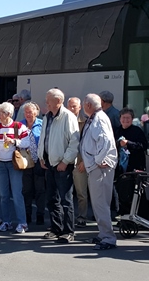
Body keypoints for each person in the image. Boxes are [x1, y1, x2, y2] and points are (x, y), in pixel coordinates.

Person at [0, 101, 30, 234]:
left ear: (8, 114)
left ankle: (22, 223)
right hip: (1, 163)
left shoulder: (18, 126)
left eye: (1, 112)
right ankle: (6, 221)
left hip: (14, 163)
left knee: (17, 193)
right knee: (3, 195)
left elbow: (27, 142)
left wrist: (14, 141)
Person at [38, 88, 80, 243]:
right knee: (52, 199)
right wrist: (41, 157)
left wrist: (65, 161)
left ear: (58, 101)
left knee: (66, 200)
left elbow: (74, 142)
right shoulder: (47, 117)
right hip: (49, 163)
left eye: (48, 99)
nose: (46, 102)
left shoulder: (68, 117)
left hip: (62, 165)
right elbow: (44, 138)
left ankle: (68, 231)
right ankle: (56, 229)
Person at [79, 94, 118, 251]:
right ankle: (103, 233)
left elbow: (106, 141)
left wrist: (96, 160)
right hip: (96, 166)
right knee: (98, 202)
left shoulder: (99, 119)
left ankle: (108, 237)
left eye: (83, 103)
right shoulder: (96, 117)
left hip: (99, 167)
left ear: (88, 105)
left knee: (100, 202)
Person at [115, 108, 149, 216]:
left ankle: (141, 216)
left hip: (135, 167)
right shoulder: (116, 131)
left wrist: (128, 143)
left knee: (137, 192)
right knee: (122, 192)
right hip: (121, 168)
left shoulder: (137, 131)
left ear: (132, 119)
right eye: (123, 117)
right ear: (120, 119)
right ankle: (124, 216)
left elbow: (143, 146)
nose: (125, 120)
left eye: (128, 118)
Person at [20, 101, 46, 225]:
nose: (28, 114)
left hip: (38, 161)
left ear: (36, 112)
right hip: (24, 161)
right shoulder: (19, 125)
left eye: (30, 112)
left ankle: (40, 214)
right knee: (27, 189)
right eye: (26, 112)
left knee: (40, 189)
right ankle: (27, 213)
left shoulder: (42, 124)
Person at [68, 96, 89, 228]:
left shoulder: (85, 122)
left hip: (80, 162)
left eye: (74, 106)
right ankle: (67, 218)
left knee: (81, 192)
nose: (71, 109)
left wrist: (84, 161)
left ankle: (82, 217)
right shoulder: (64, 121)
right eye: (69, 106)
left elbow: (87, 145)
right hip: (65, 161)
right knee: (65, 193)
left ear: (80, 107)